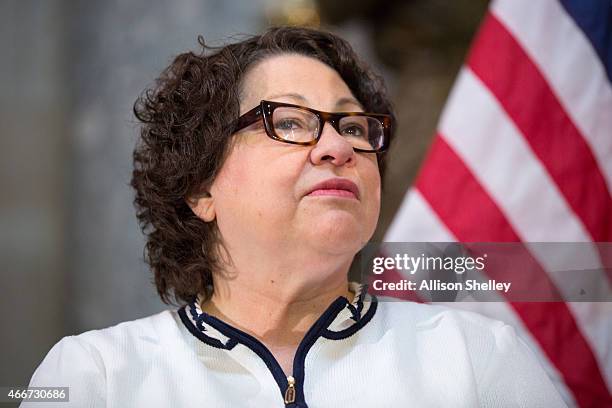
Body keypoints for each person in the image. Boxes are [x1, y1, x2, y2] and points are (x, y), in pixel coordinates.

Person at [22, 26, 566, 407]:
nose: (337, 146)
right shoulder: (97, 376)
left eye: (354, 127)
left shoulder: (474, 358)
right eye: (289, 121)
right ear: (199, 186)